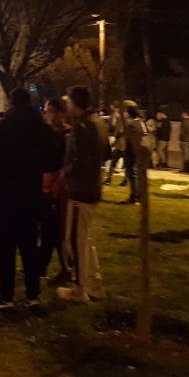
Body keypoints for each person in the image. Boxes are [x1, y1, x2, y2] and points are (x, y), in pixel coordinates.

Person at [0, 88, 56, 313]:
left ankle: (6, 297)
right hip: (32, 193)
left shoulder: (1, 127)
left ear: (12, 103)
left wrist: (3, 169)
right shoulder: (41, 128)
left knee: (6, 248)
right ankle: (33, 296)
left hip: (6, 193)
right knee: (30, 245)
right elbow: (52, 161)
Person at [57, 85, 111, 303]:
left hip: (81, 190)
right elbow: (106, 153)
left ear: (74, 102)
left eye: (69, 101)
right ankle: (94, 285)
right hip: (93, 187)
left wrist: (66, 173)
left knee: (75, 241)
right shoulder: (99, 122)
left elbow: (81, 160)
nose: (67, 105)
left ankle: (79, 290)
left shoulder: (82, 126)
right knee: (86, 239)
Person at [38, 97, 69, 283]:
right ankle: (44, 266)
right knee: (49, 229)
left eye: (50, 111)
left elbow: (66, 163)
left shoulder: (67, 135)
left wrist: (57, 184)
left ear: (60, 113)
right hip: (45, 184)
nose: (47, 115)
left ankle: (64, 267)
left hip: (58, 187)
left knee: (54, 230)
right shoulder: (47, 132)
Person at [120, 101, 147, 204]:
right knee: (138, 174)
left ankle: (134, 196)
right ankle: (139, 196)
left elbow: (131, 139)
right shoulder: (142, 122)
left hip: (133, 153)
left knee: (133, 174)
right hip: (141, 151)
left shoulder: (132, 124)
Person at [104, 101, 124, 186]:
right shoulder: (121, 116)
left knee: (113, 157)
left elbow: (115, 126)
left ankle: (109, 177)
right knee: (118, 158)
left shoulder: (117, 115)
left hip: (119, 142)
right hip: (121, 143)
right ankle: (111, 177)